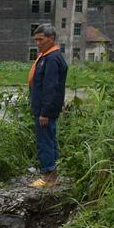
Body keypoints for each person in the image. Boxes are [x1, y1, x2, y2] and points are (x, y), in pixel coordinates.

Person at [29, 23, 68, 188]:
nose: (38, 43)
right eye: (36, 40)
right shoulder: (48, 56)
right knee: (49, 139)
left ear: (51, 38)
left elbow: (50, 87)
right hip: (44, 108)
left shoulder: (52, 58)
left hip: (45, 110)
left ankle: (48, 177)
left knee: (45, 141)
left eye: (41, 39)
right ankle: (51, 175)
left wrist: (44, 112)